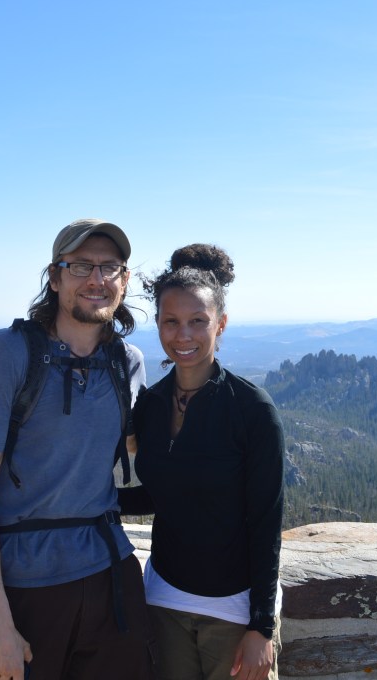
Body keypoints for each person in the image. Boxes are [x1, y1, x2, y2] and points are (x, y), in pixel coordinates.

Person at [0, 218, 156, 680]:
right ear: (55, 276)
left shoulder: (128, 364)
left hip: (110, 577)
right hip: (24, 584)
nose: (96, 279)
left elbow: (141, 453)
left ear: (124, 280)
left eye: (110, 267)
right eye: (81, 265)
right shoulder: (7, 355)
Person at [119, 244, 285, 680]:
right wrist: (95, 500)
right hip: (164, 598)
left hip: (233, 607)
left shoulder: (251, 409)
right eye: (171, 322)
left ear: (221, 324)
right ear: (157, 324)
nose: (184, 335)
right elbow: (166, 493)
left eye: (198, 322)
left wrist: (261, 627)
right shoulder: (151, 406)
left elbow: (266, 519)